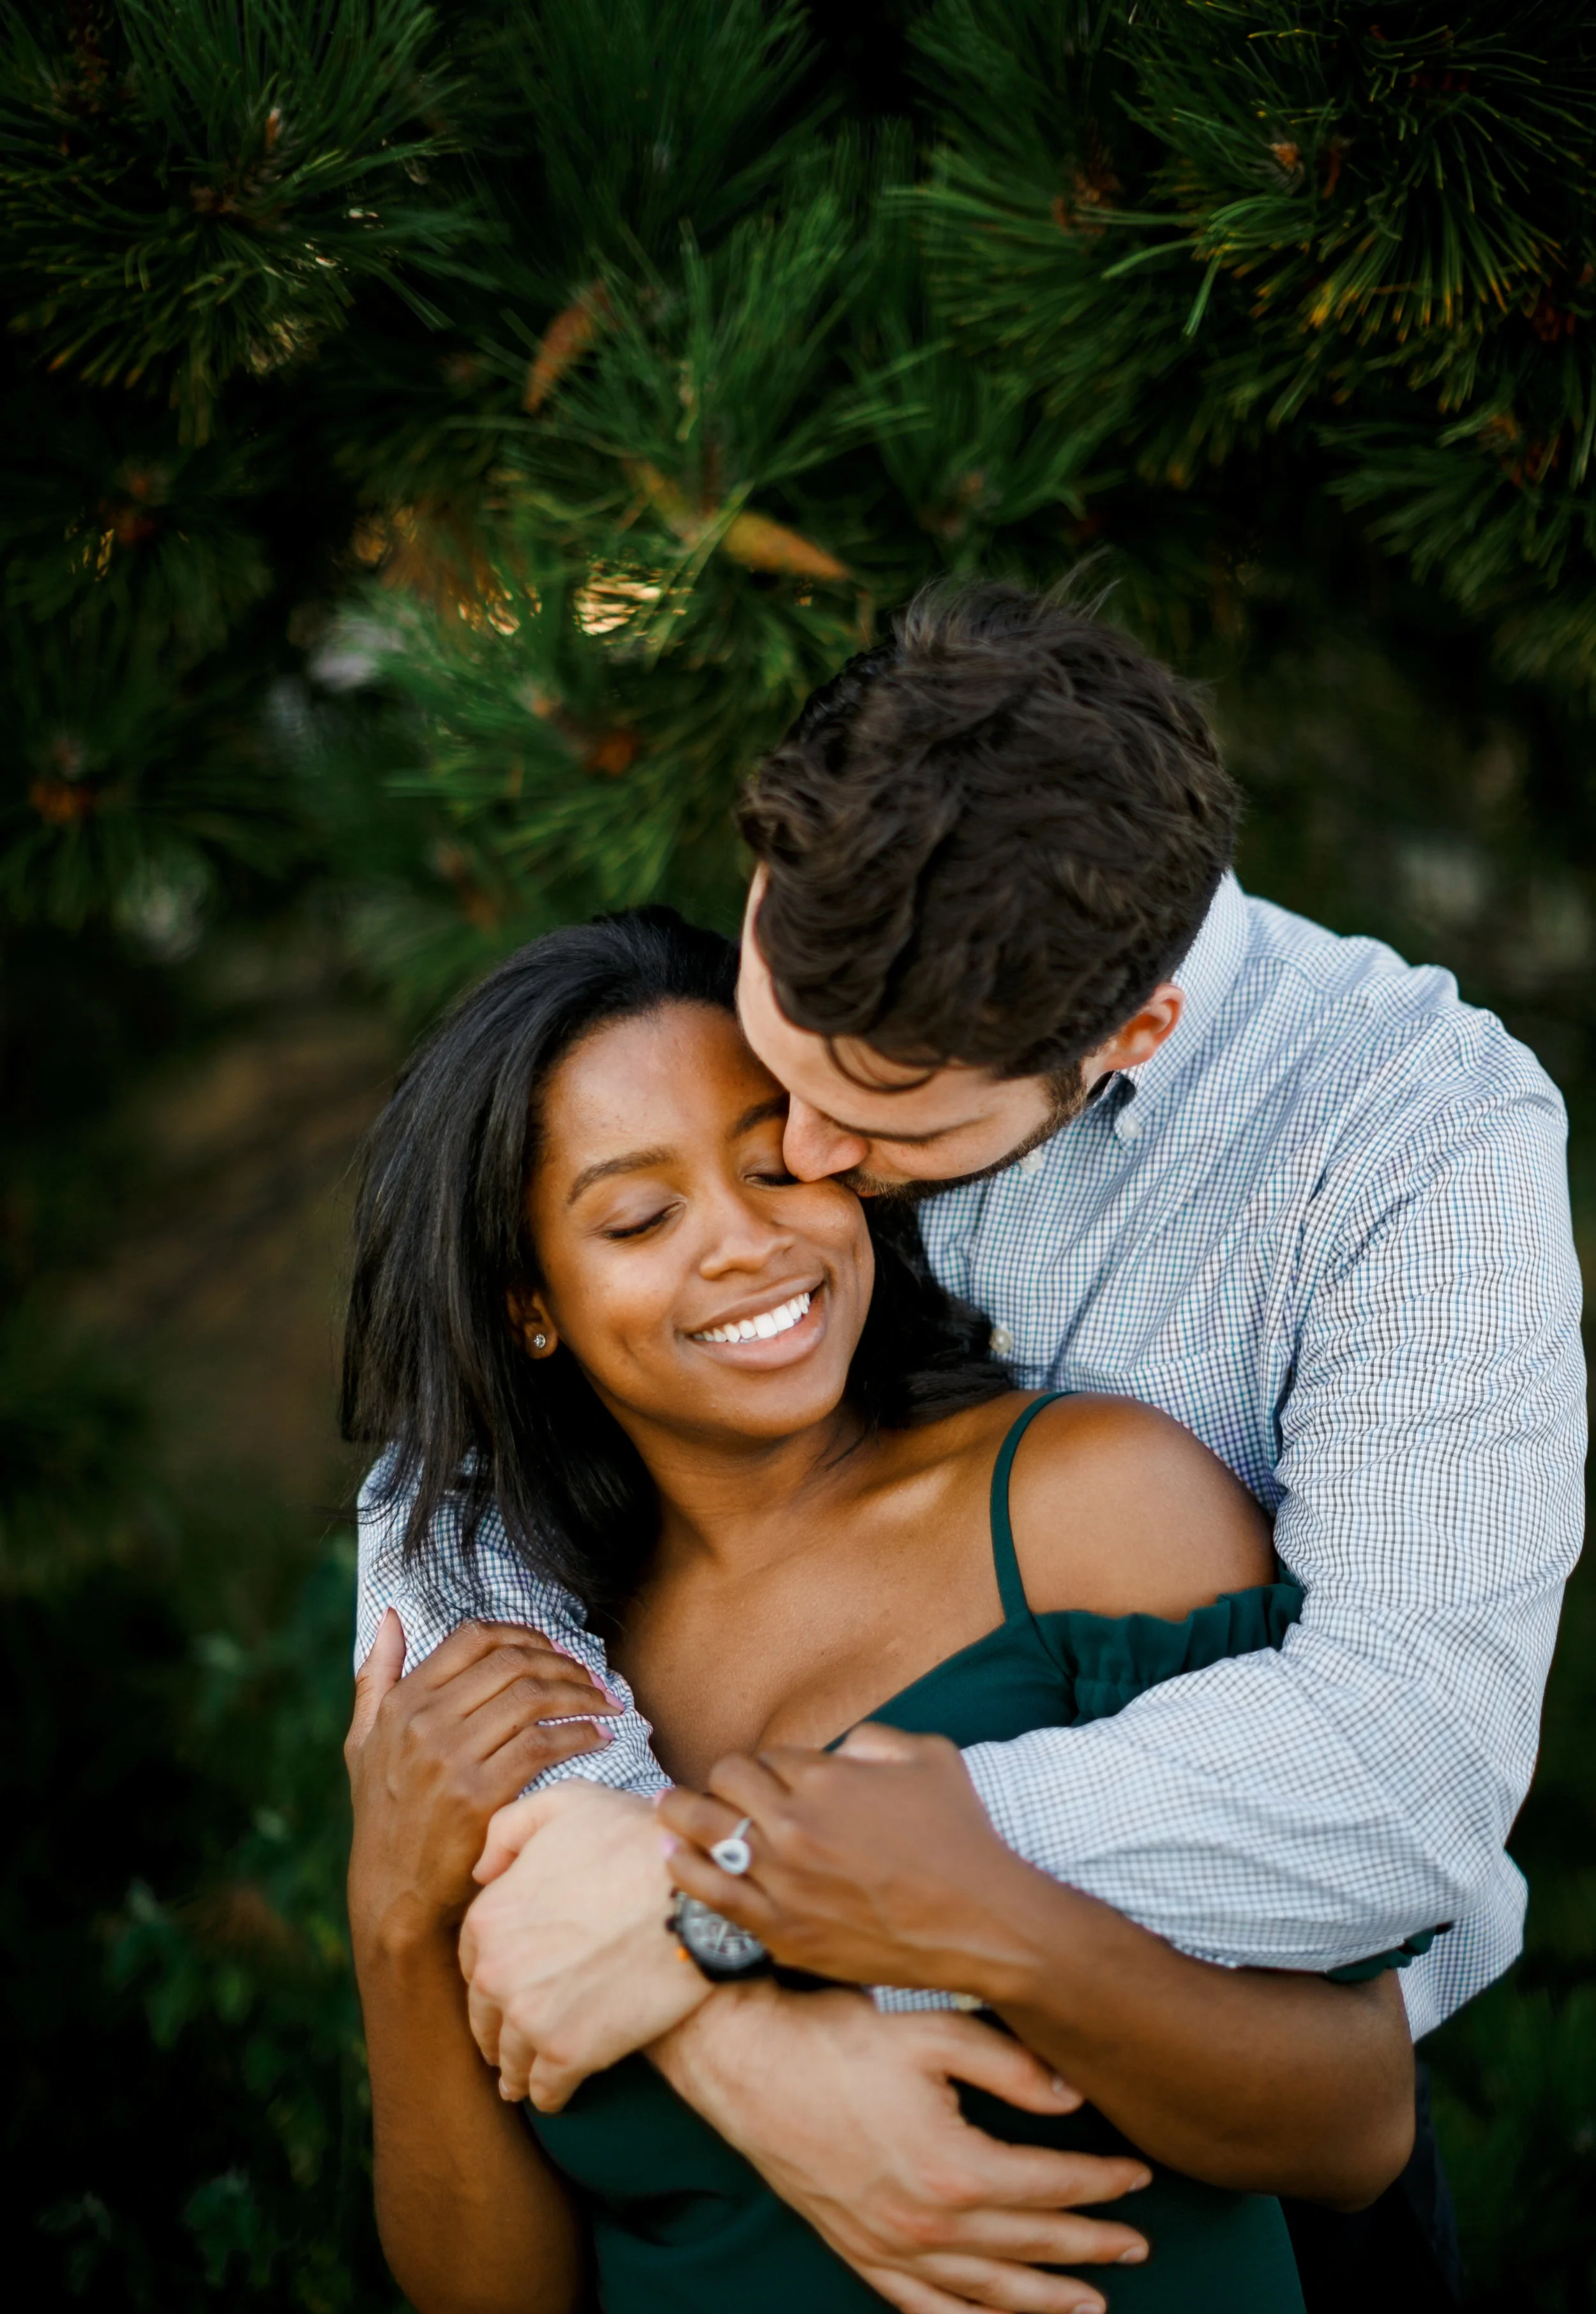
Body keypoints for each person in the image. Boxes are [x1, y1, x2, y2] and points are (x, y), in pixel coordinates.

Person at [356, 583, 1585, 2311]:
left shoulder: (1408, 1138)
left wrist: (729, 1896)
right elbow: (452, 1496)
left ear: (1123, 1039)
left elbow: (1397, 1782)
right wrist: (733, 2040)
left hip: (1217, 2140)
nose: (794, 1147)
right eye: (776, 1041)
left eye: (863, 1127)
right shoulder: (857, 916)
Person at [342, 905, 1419, 2314]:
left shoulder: (1087, 1510)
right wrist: (390, 1920)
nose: (742, 1243)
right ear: (529, 1303)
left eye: (772, 1160)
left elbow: (1350, 2124)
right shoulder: (513, 1690)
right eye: (639, 1216)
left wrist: (953, 1915)